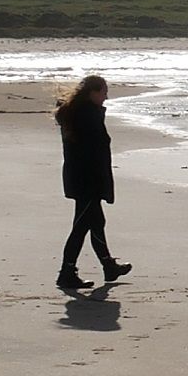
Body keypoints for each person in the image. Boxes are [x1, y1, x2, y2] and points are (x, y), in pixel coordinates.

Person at [55, 75, 131, 292]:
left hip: (81, 178)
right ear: (93, 93)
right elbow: (93, 151)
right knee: (81, 226)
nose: (106, 96)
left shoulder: (78, 112)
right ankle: (66, 272)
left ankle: (108, 265)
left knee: (96, 222)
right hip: (87, 180)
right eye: (104, 92)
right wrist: (101, 183)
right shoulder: (86, 115)